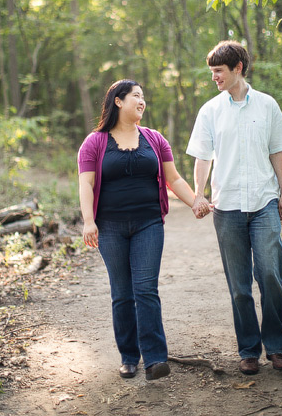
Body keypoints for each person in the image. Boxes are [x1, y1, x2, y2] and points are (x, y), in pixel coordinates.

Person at [78, 79, 204, 381]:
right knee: (122, 293)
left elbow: (174, 179)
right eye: (136, 95)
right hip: (110, 226)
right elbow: (86, 184)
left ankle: (155, 358)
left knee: (146, 289)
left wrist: (196, 202)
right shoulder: (94, 142)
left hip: (149, 223)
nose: (142, 101)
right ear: (118, 101)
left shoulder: (154, 139)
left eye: (143, 96)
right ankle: (129, 356)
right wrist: (88, 221)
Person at [187, 40, 282, 375]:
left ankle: (277, 347)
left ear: (238, 68)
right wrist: (198, 194)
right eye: (212, 71)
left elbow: (277, 151)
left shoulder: (267, 105)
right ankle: (249, 350)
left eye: (219, 71)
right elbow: (202, 157)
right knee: (239, 285)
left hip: (264, 202)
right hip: (227, 207)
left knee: (270, 276)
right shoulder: (210, 111)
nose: (214, 77)